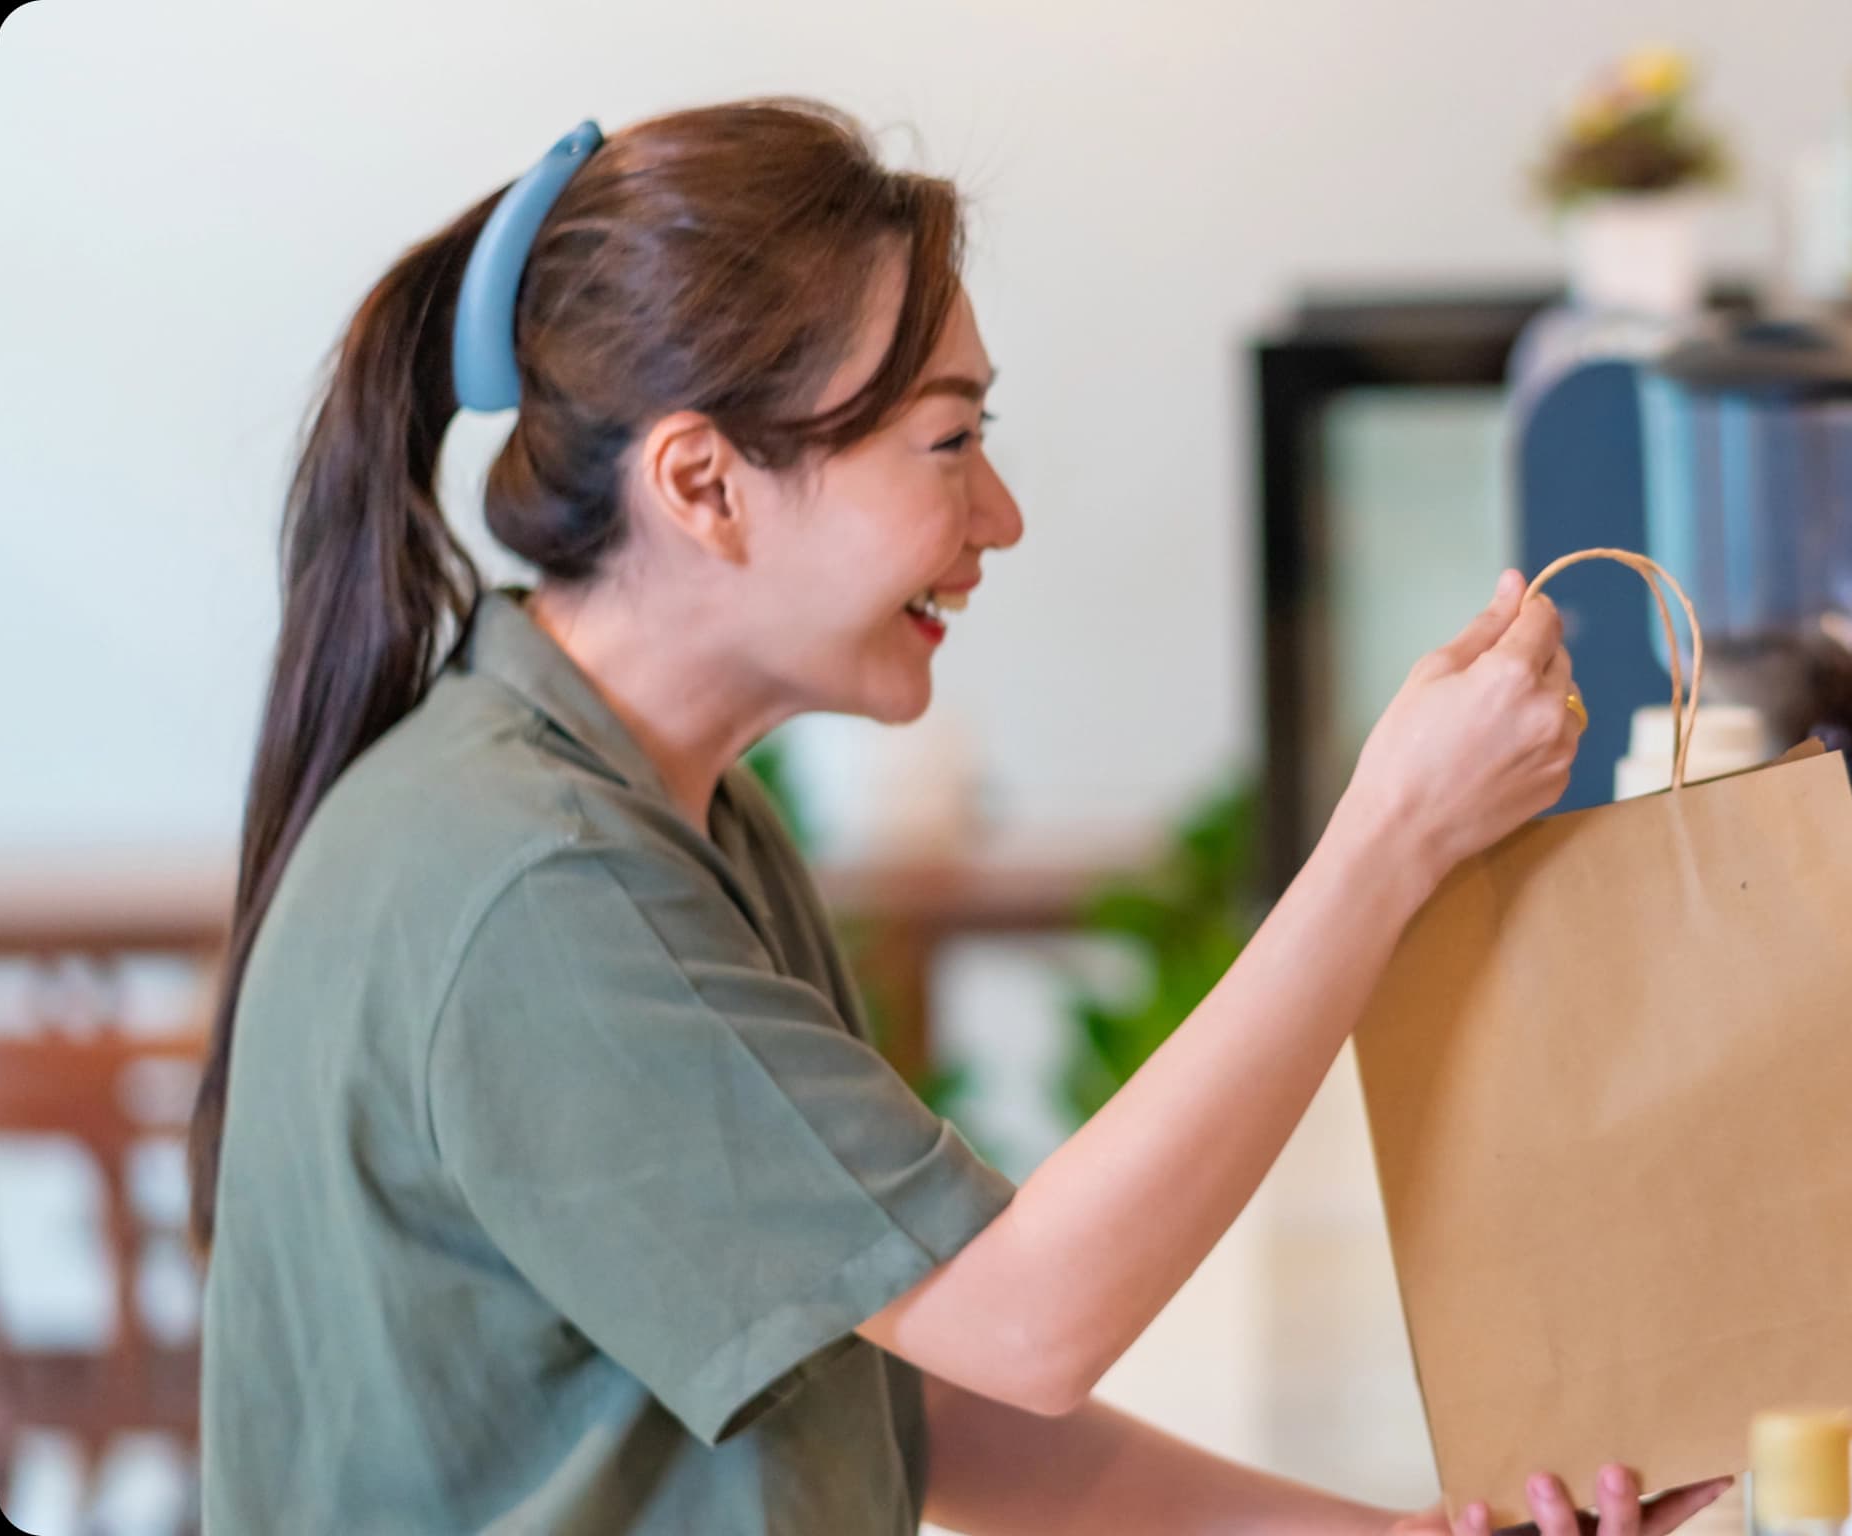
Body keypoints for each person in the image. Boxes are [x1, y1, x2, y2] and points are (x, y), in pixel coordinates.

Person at [196, 99, 1713, 1536]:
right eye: (948, 442)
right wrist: (1389, 839)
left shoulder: (664, 817)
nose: (1000, 517)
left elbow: (900, 1384)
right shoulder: (538, 881)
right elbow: (1033, 1320)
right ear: (704, 484)